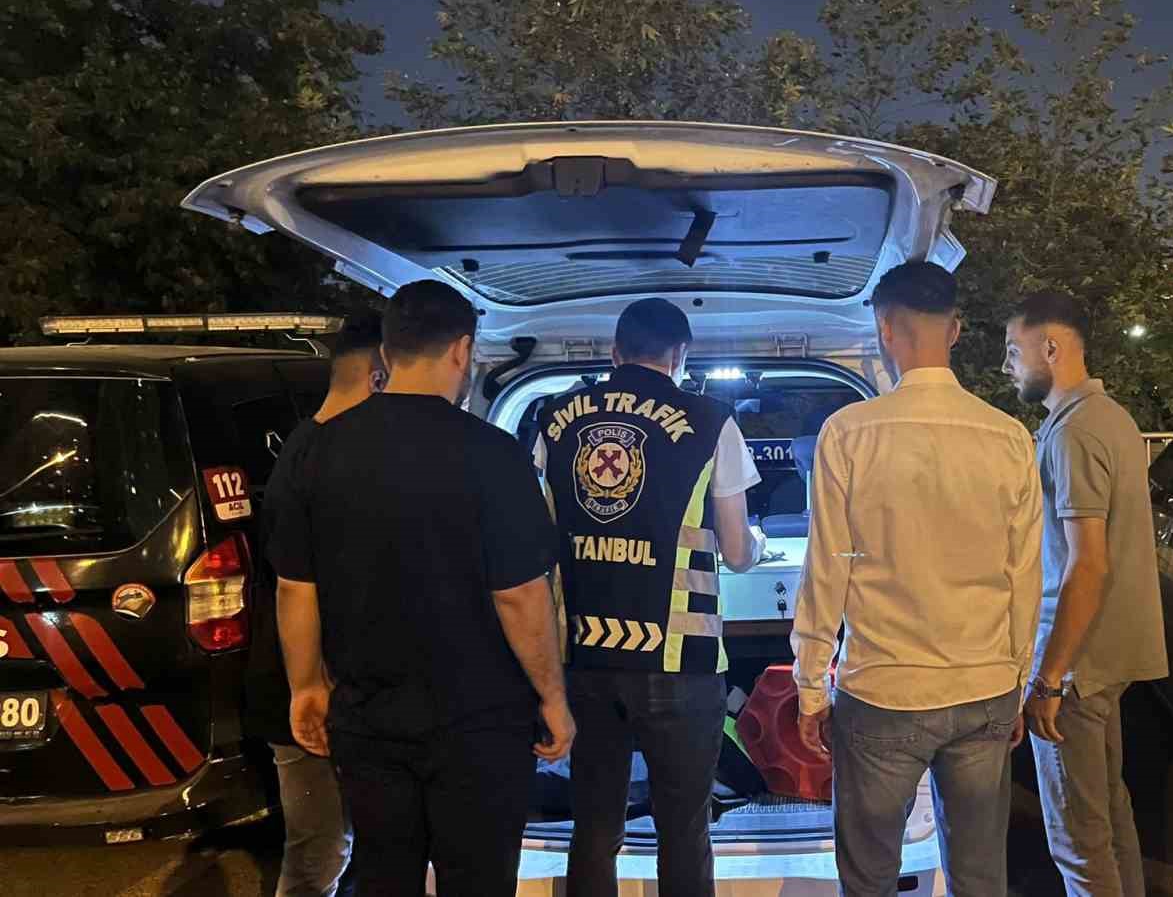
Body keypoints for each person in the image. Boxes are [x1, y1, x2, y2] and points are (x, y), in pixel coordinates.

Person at [270, 280, 575, 897]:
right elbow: (520, 595)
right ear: (462, 350)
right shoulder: (494, 454)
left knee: (383, 876)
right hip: (481, 724)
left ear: (387, 353)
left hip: (368, 718)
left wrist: (306, 687)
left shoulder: (318, 451)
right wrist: (551, 697)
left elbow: (295, 587)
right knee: (478, 881)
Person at [791, 262, 1044, 897]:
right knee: (980, 877)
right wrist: (1017, 680)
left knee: (869, 878)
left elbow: (827, 570)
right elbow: (1024, 578)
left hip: (883, 690)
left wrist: (810, 687)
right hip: (984, 687)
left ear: (885, 330)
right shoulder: (1009, 438)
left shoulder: (849, 433)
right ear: (955, 330)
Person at [532, 297, 767, 897]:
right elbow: (737, 550)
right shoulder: (710, 420)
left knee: (594, 826)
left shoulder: (556, 419)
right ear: (681, 354)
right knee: (683, 830)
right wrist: (759, 544)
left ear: (615, 353)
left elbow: (538, 538)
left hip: (584, 656)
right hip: (679, 660)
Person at [1003, 292, 1168, 897]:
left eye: (1013, 351)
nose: (1007, 366)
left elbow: (1087, 563)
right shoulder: (1110, 417)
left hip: (1078, 662)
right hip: (1106, 657)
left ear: (1050, 347)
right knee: (1108, 816)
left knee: (1077, 839)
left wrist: (1049, 678)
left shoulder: (1074, 432)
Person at [253, 309, 386, 897]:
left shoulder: (307, 449)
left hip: (320, 687)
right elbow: (298, 588)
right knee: (319, 854)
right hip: (312, 693)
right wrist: (312, 686)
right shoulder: (323, 461)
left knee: (335, 847)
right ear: (381, 375)